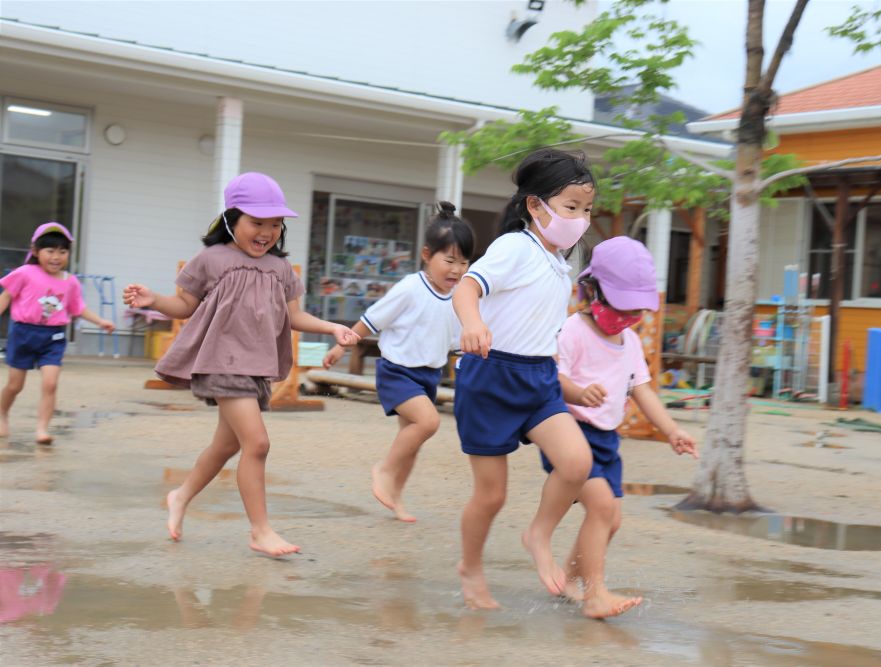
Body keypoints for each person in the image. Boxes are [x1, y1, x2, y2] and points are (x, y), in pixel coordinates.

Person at [122, 172, 360, 557]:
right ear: (232, 219)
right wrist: (154, 300)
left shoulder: (282, 269)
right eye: (257, 222)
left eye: (274, 223)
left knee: (225, 446)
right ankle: (260, 531)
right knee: (258, 443)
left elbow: (294, 317)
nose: (266, 231)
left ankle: (180, 496)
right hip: (221, 362)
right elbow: (184, 305)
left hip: (256, 367)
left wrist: (333, 326)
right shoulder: (211, 260)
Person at [452, 148, 595, 609]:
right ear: (536, 206)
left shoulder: (561, 263)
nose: (581, 218)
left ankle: (538, 533)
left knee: (576, 462)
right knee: (491, 496)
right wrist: (472, 324)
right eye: (571, 207)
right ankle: (470, 568)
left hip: (538, 378)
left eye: (586, 209)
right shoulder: (515, 246)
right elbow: (467, 287)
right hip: (491, 377)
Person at [546, 236, 698, 619]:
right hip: (569, 435)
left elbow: (641, 388)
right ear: (591, 290)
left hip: (606, 441)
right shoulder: (573, 331)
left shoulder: (628, 340)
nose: (629, 318)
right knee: (600, 506)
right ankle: (596, 595)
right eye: (621, 308)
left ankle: (569, 578)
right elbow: (551, 378)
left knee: (611, 518)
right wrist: (579, 393)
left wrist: (671, 430)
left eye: (637, 311)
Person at [323, 202, 474, 522]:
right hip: (398, 371)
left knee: (412, 442)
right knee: (428, 423)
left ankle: (395, 497)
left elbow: (458, 340)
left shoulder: (459, 295)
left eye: (463, 262)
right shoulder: (410, 288)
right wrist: (342, 347)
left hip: (428, 374)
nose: (456, 270)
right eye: (449, 260)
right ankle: (384, 470)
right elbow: (370, 320)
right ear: (426, 255)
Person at [0, 222, 115, 444]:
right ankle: (2, 413)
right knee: (15, 385)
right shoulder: (24, 273)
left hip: (54, 337)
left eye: (62, 251)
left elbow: (77, 308)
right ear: (35, 251)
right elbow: (5, 297)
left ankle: (42, 429)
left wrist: (100, 321)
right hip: (23, 333)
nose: (56, 256)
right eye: (50, 251)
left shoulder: (70, 282)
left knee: (50, 383)